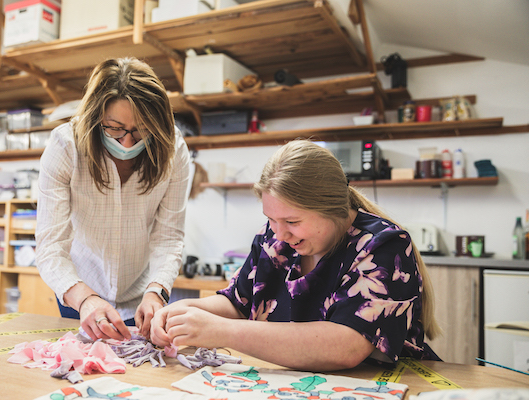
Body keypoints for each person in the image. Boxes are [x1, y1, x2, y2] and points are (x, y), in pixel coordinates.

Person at [150, 139, 441, 371]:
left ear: (333, 209)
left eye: (292, 222)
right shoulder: (274, 239)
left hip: (386, 386)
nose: (279, 234)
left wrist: (222, 332)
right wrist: (179, 311)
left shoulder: (382, 245)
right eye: (271, 219)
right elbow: (236, 302)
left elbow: (347, 346)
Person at [36, 57, 190, 342]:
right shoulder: (65, 146)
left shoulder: (173, 150)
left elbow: (169, 236)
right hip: (79, 290)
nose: (129, 142)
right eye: (115, 128)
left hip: (142, 293)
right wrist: (84, 299)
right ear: (96, 118)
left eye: (142, 129)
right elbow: (50, 246)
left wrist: (157, 290)